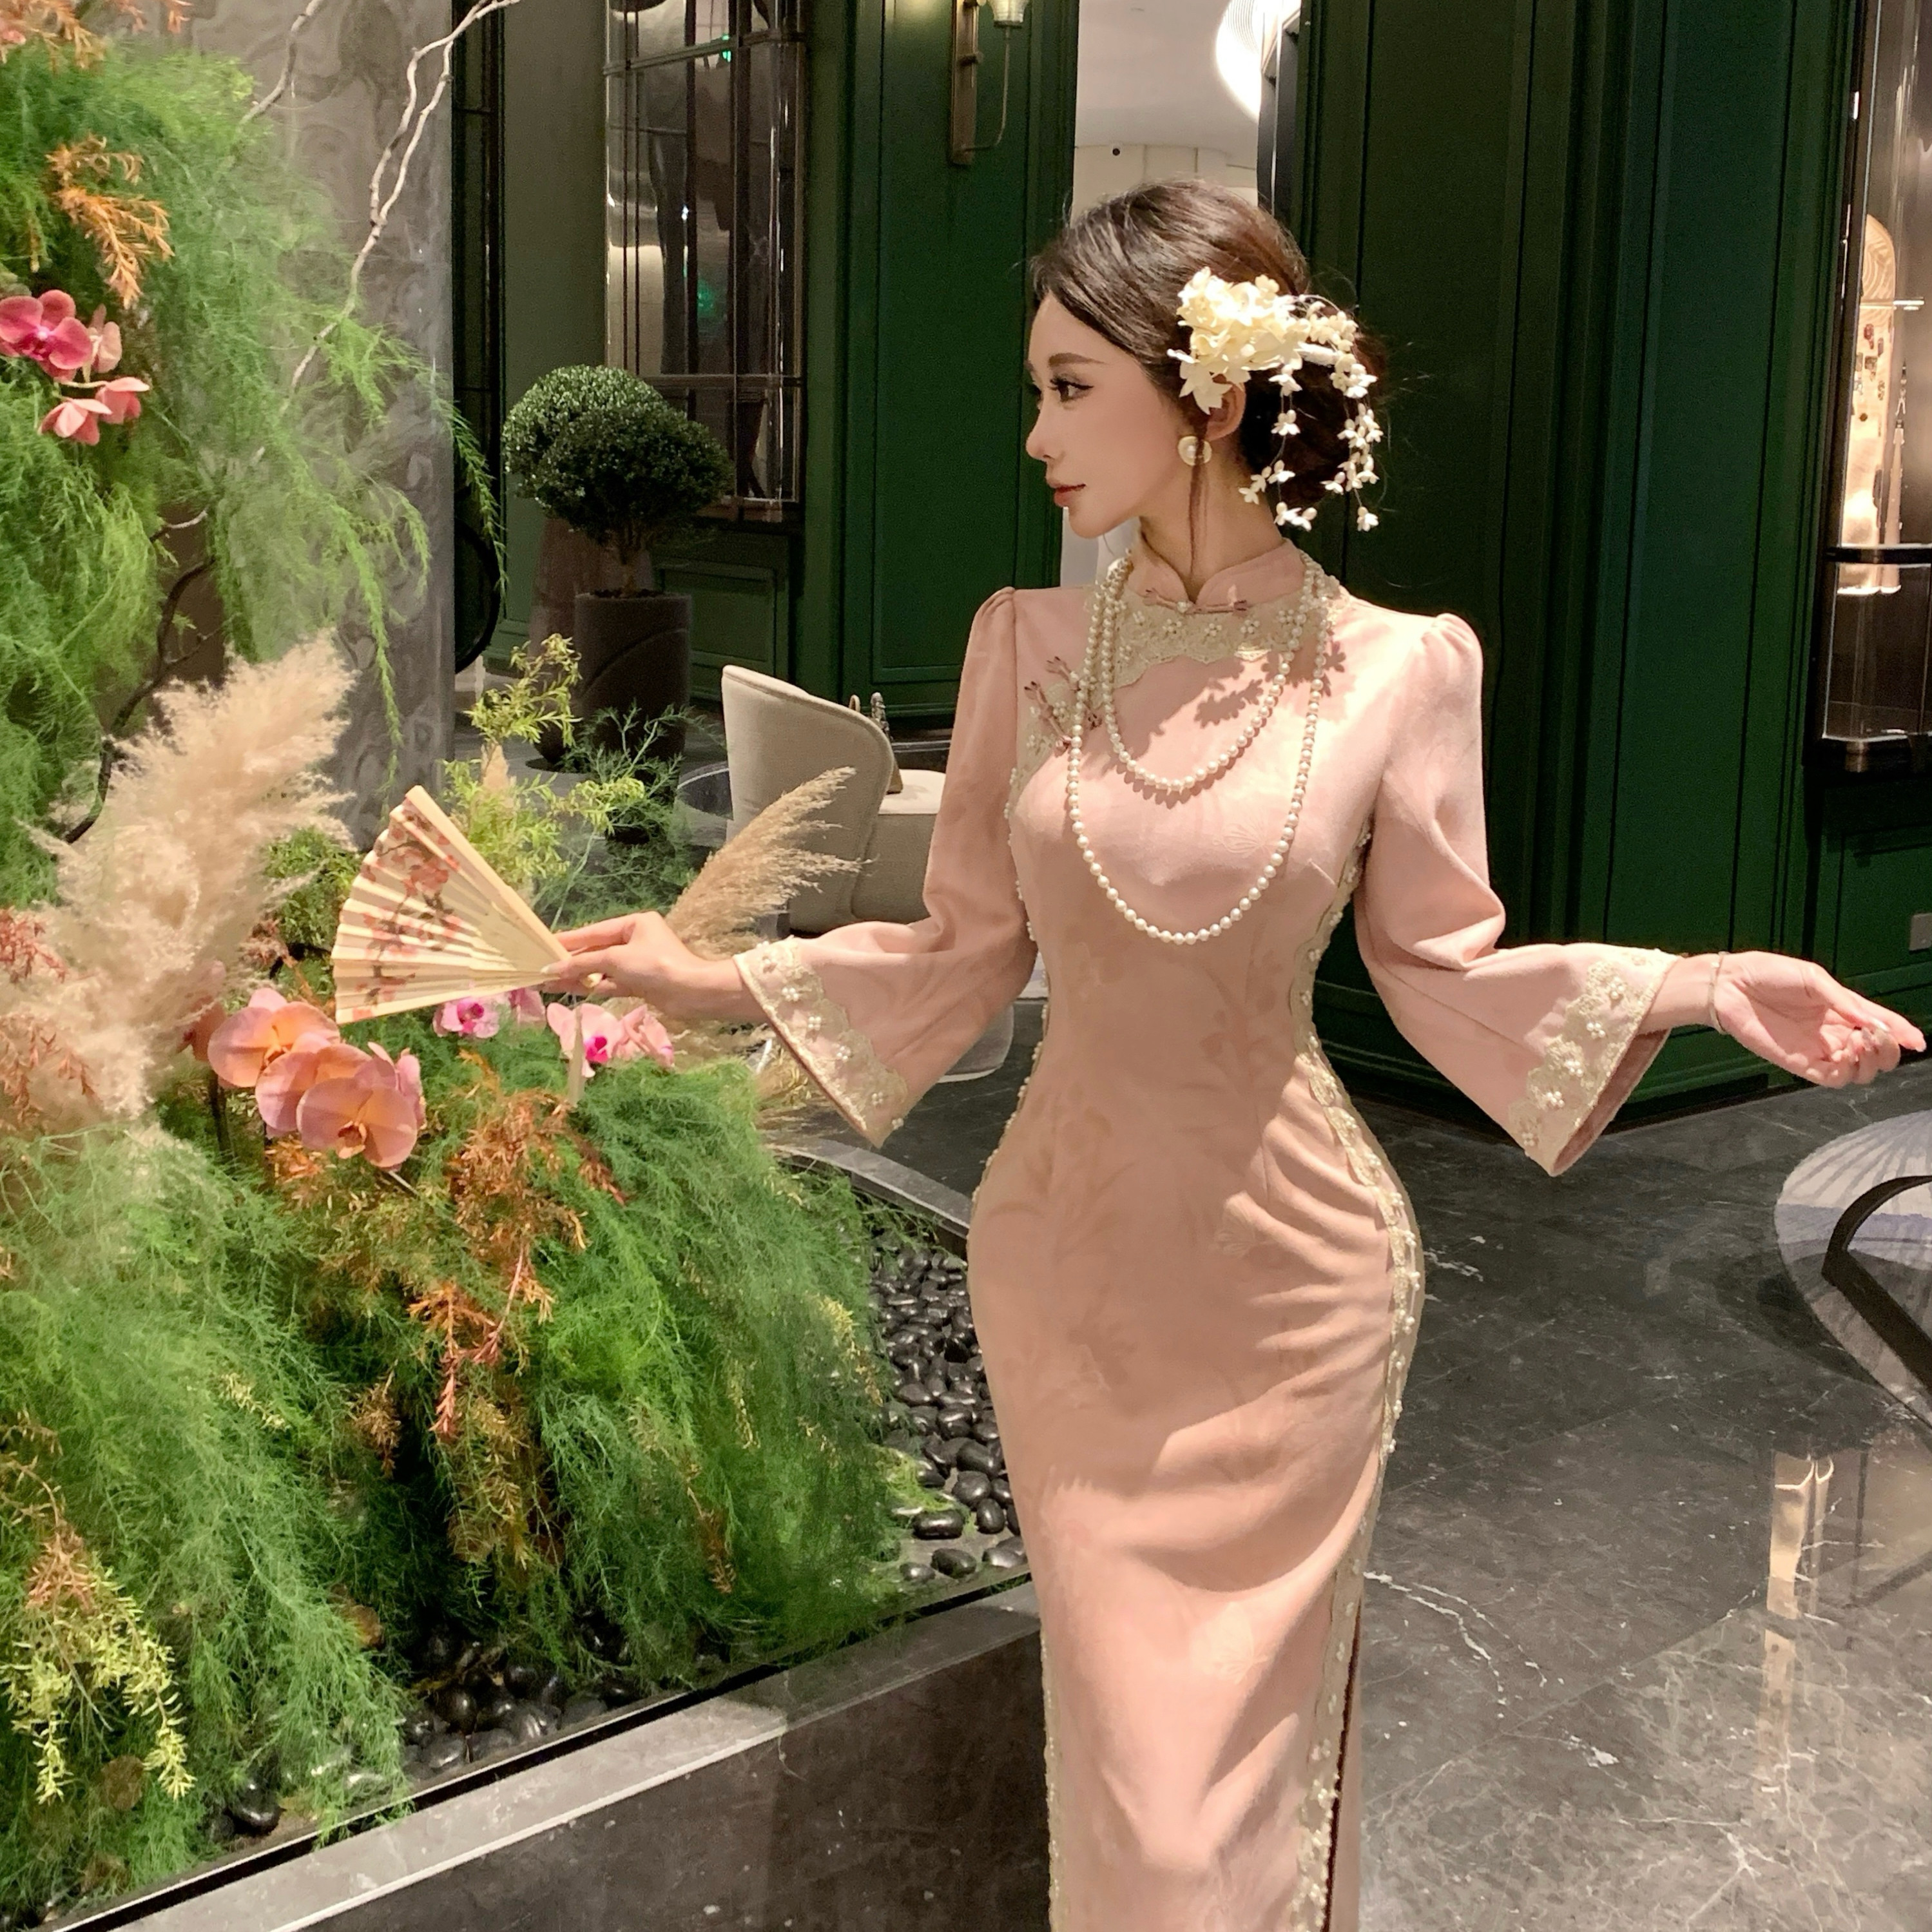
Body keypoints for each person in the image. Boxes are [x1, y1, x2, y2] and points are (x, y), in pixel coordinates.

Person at [547, 182, 1922, 1932]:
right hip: (1066, 1276)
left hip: (1292, 1295)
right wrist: (710, 979)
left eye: (1069, 387)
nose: (1035, 434)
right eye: (1036, 391)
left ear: (1199, 392)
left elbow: (1443, 968)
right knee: (1134, 1776)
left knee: (1229, 1806)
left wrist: (1704, 985)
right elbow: (959, 952)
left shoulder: (1400, 670)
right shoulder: (1025, 645)